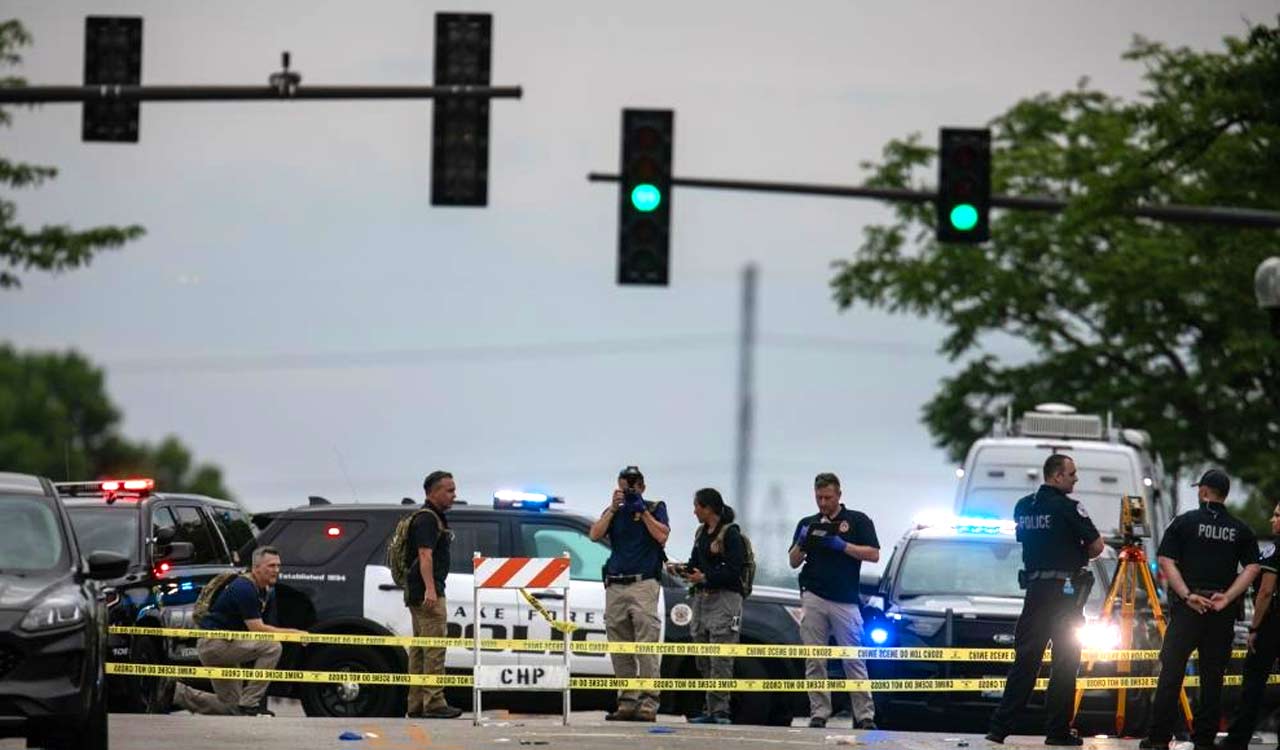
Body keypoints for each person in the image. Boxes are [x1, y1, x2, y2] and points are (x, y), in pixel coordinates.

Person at [986, 454, 1104, 745]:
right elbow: (1097, 546)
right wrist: (1075, 554)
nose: (1076, 478)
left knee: (1025, 662)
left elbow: (1031, 541)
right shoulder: (1070, 508)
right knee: (1065, 663)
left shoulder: (1023, 506)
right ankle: (1057, 731)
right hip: (1065, 596)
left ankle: (999, 729)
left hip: (1035, 594)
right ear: (1056, 476)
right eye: (1072, 473)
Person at [1141, 469, 1259, 750]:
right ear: (1225, 494)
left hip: (1188, 611)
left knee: (1171, 673)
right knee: (1212, 678)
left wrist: (1187, 595)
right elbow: (1253, 567)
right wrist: (1228, 597)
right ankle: (1204, 740)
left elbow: (1166, 560)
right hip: (1221, 613)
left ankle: (1158, 739)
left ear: (1204, 491)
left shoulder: (1184, 523)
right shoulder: (1240, 529)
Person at [148, 545, 308, 716]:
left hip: (228, 645)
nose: (276, 570)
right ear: (256, 567)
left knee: (232, 707)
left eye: (278, 566)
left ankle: (176, 693)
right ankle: (250, 703)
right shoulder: (244, 588)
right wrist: (294, 634)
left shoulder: (265, 590)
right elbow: (257, 629)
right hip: (214, 644)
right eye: (271, 566)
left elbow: (266, 626)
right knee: (272, 647)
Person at [789, 472, 880, 730]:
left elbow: (873, 554)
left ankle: (864, 715)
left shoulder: (857, 521)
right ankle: (819, 712)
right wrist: (802, 542)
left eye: (828, 497)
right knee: (815, 658)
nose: (823, 503)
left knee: (853, 658)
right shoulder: (807, 522)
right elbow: (793, 561)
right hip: (813, 595)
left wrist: (843, 546)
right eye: (819, 497)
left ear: (839, 495)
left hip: (845, 599)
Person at [589, 465, 670, 722]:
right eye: (626, 486)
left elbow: (662, 536)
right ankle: (627, 700)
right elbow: (594, 534)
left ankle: (648, 702)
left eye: (634, 486)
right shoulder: (614, 511)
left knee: (646, 644)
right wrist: (614, 508)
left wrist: (642, 511)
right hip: (615, 584)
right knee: (620, 645)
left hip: (642, 583)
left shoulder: (655, 507)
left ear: (643, 487)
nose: (630, 490)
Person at [666, 487, 746, 725]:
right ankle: (710, 707)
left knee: (721, 655)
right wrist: (681, 569)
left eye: (697, 507)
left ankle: (720, 711)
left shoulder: (731, 535)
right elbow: (695, 563)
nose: (694, 512)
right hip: (703, 599)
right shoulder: (702, 533)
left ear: (709, 508)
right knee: (702, 653)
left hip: (725, 600)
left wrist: (706, 577)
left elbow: (734, 571)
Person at [1218, 501, 1280, 750]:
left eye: (1277, 515)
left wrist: (1255, 628)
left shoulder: (1274, 550)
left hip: (1272, 624)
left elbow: (1265, 591)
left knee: (1253, 684)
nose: (1272, 520)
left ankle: (1237, 740)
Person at [405, 470, 464, 719]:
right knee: (434, 648)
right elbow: (425, 555)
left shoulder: (430, 517)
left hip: (417, 593)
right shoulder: (428, 519)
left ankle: (416, 703)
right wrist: (431, 589)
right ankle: (434, 702)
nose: (454, 495)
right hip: (428, 593)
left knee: (420, 649)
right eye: (449, 490)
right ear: (433, 492)